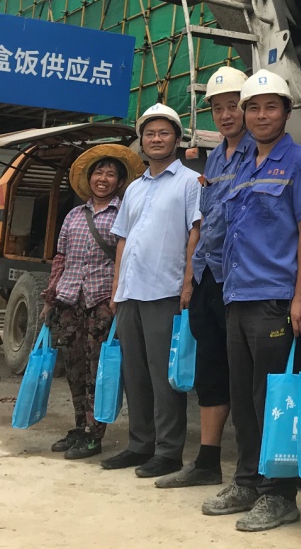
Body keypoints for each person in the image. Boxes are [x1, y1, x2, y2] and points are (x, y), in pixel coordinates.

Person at [201, 69, 301, 532]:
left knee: (273, 399)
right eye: (252, 107)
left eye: (270, 106)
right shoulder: (241, 164)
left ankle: (279, 494)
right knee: (243, 399)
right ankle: (247, 482)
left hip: (274, 299)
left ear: (286, 112)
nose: (260, 115)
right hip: (236, 296)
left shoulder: (299, 162)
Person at [158, 67, 256, 490]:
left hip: (242, 279)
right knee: (210, 369)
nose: (226, 115)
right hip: (208, 277)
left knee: (246, 377)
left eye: (233, 105)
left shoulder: (261, 153)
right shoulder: (214, 158)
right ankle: (207, 461)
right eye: (218, 108)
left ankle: (251, 473)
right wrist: (189, 279)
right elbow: (201, 225)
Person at [101, 102, 202, 480]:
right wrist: (116, 286)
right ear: (141, 141)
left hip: (165, 290)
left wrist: (188, 281)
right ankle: (139, 444)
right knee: (135, 374)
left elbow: (196, 233)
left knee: (165, 376)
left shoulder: (190, 182)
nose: (156, 139)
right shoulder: (134, 188)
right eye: (149, 133)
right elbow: (123, 239)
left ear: (177, 139)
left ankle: (168, 451)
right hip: (131, 292)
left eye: (164, 133)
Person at [42, 144, 144, 459]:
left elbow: (129, 257)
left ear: (120, 181)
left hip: (102, 302)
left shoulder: (124, 213)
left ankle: (93, 434)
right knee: (75, 369)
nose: (103, 178)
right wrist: (50, 297)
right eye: (99, 172)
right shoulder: (74, 215)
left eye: (111, 174)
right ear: (89, 178)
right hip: (69, 299)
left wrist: (119, 297)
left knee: (99, 369)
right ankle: (79, 427)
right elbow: (60, 257)